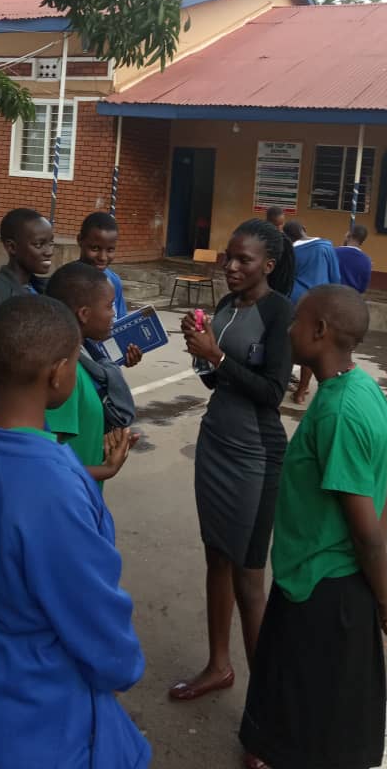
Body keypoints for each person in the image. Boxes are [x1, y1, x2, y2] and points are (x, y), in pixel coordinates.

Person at [0, 295, 151, 769]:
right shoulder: (54, 486)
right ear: (59, 373)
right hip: (27, 721)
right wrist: (125, 666)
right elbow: (92, 613)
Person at [239, 285, 387, 769]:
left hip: (322, 583)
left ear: (320, 331)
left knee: (311, 707)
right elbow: (380, 492)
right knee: (308, 698)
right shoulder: (362, 388)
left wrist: (383, 598)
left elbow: (365, 527)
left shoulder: (339, 413)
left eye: (296, 322)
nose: (289, 329)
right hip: (317, 575)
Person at [169, 219, 293, 703]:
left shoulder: (280, 312)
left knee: (249, 577)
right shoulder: (225, 306)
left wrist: (218, 356)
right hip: (216, 442)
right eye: (229, 257)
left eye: (244, 260)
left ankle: (264, 708)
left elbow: (273, 391)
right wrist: (200, 352)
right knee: (216, 556)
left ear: (269, 264)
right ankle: (218, 666)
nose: (232, 267)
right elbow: (213, 382)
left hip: (255, 454)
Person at [45, 261, 137, 485]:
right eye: (109, 306)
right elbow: (48, 469)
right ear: (84, 314)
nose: (114, 313)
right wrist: (108, 468)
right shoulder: (66, 374)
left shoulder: (84, 357)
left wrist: (103, 448)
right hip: (69, 499)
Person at [0, 208, 54, 422]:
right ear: (12, 247)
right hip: (11, 417)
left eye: (51, 243)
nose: (49, 251)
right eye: (39, 244)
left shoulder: (42, 290)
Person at [283, 220, 341, 405]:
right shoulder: (327, 246)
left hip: (295, 301)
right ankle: (301, 391)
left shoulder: (291, 251)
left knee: (288, 342)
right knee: (311, 343)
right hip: (320, 301)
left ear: (288, 237)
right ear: (304, 229)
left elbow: (285, 278)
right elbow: (336, 278)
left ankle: (282, 382)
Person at [78, 211, 141, 366]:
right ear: (80, 240)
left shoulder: (113, 281)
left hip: (107, 369)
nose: (103, 257)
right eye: (95, 248)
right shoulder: (66, 281)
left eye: (110, 250)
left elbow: (120, 326)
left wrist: (127, 354)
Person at [264, 207, 296, 298]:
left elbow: (290, 268)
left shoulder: (286, 242)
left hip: (281, 287)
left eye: (281, 224)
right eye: (275, 225)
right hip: (264, 284)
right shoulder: (261, 238)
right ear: (267, 222)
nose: (279, 228)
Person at [336, 223, 373, 293]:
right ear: (363, 240)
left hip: (333, 293)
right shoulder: (367, 260)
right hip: (353, 296)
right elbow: (363, 287)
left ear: (348, 235)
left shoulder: (333, 252)